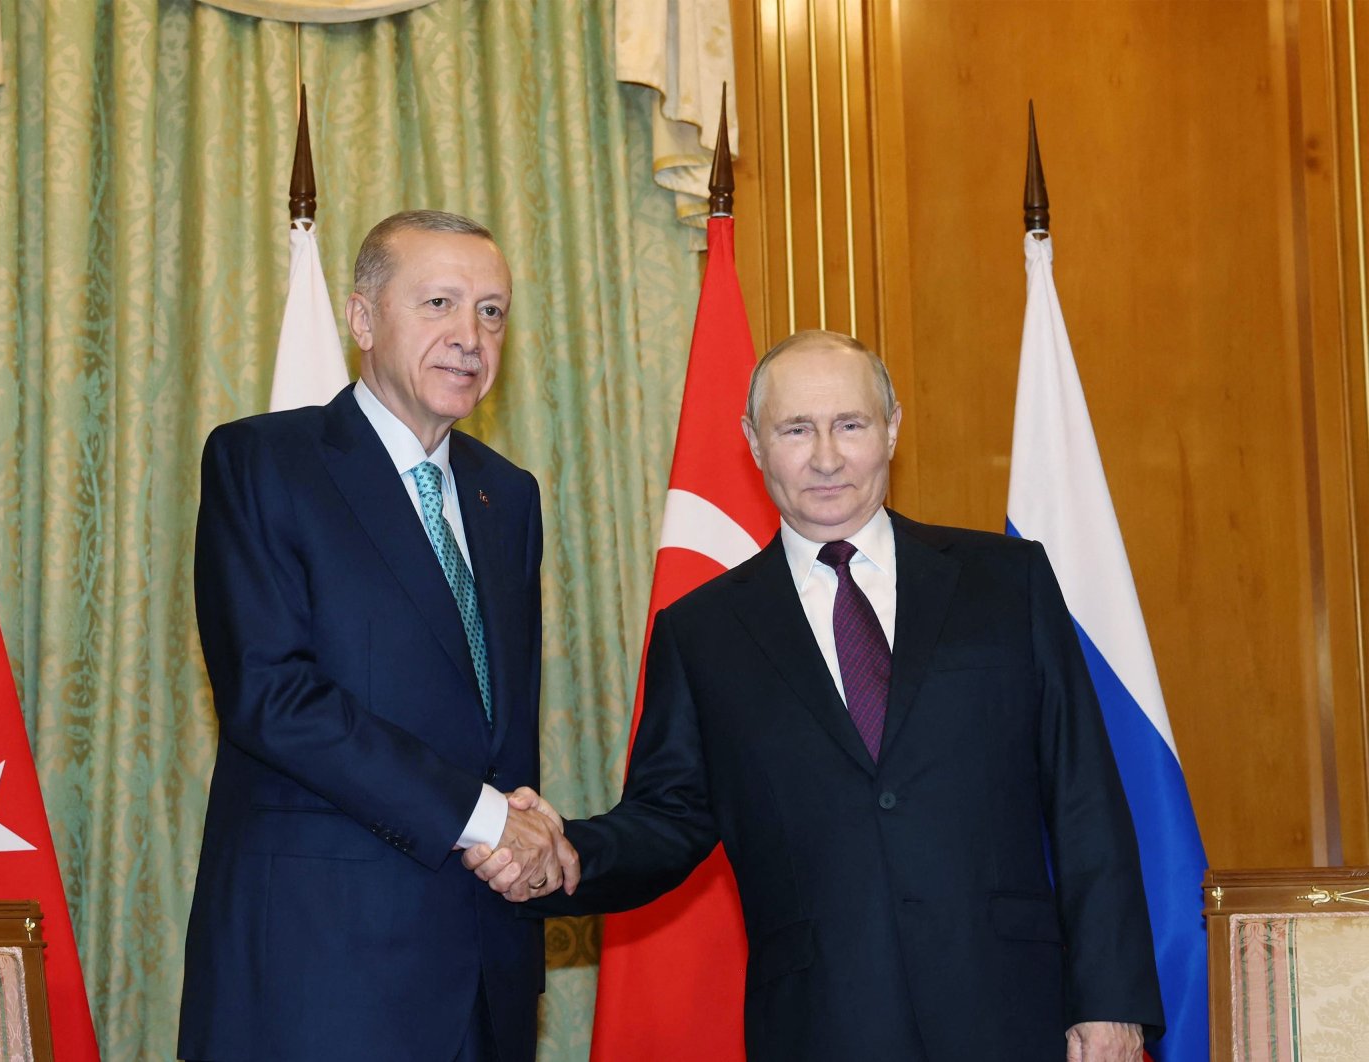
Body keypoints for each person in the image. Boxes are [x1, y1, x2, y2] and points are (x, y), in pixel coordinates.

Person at [472, 330, 1162, 1061]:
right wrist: (561, 854)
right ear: (754, 442)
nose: (826, 457)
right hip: (821, 1024)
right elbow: (668, 820)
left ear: (891, 428)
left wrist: (1110, 1000)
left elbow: (1084, 799)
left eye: (851, 425)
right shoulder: (703, 632)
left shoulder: (1006, 582)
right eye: (796, 429)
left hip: (1013, 1014)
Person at [180, 210, 574, 1062]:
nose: (470, 336)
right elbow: (273, 698)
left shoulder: (508, 497)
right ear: (362, 320)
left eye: (492, 311)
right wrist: (484, 818)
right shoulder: (264, 463)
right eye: (439, 303)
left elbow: (497, 727)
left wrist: (522, 840)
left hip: (483, 970)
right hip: (320, 975)